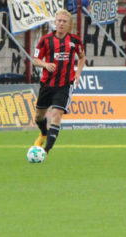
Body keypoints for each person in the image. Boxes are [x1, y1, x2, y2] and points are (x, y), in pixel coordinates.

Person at [31, 10, 86, 157]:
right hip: (47, 85)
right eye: (59, 20)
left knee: (56, 114)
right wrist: (45, 64)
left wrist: (78, 74)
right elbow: (35, 60)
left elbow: (82, 57)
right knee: (39, 117)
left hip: (64, 85)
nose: (61, 23)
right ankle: (43, 133)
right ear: (55, 22)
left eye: (64, 21)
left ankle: (45, 151)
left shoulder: (75, 41)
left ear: (69, 25)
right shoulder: (45, 40)